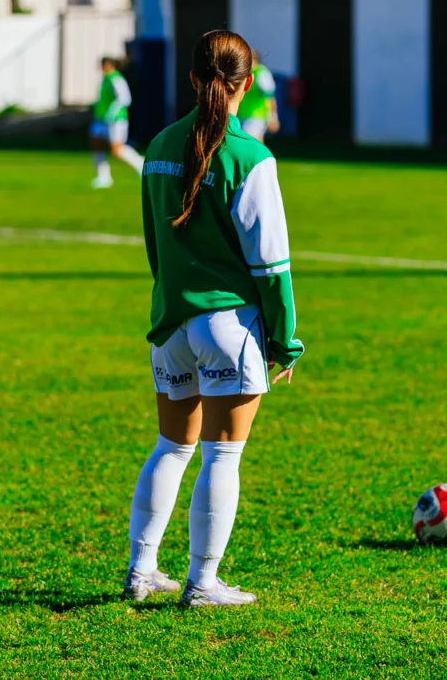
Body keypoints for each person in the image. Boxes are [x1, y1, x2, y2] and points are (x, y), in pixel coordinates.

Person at [125, 30, 304, 608]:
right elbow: (272, 265)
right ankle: (202, 583)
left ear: (194, 79)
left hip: (171, 323)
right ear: (246, 86)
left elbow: (155, 246)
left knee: (171, 447)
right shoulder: (251, 156)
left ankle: (141, 571)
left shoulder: (155, 147)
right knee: (222, 455)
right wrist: (285, 341)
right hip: (229, 328)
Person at [89, 57, 144, 188]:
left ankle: (141, 165)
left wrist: (112, 112)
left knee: (117, 149)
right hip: (101, 119)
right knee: (96, 143)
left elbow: (125, 99)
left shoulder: (116, 79)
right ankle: (103, 176)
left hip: (116, 119)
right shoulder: (106, 79)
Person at [236, 50, 280, 143]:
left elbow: (270, 97)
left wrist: (273, 117)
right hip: (243, 114)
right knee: (251, 142)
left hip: (257, 115)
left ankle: (263, 157)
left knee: (252, 141)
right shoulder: (244, 73)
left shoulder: (262, 74)